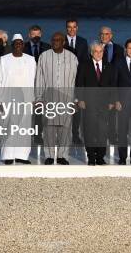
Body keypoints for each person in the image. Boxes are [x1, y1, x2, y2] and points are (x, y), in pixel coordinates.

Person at [35, 32, 78, 165]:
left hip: (67, 98)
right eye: (53, 40)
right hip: (49, 98)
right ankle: (49, 155)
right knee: (48, 128)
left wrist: (75, 100)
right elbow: (39, 78)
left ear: (64, 42)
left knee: (65, 128)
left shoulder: (72, 57)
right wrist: (38, 98)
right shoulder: (44, 56)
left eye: (58, 40)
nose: (55, 42)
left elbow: (76, 80)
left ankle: (62, 156)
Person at [0, 34, 36, 165]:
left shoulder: (31, 60)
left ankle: (22, 156)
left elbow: (34, 80)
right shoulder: (4, 60)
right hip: (8, 99)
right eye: (16, 43)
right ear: (12, 45)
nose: (18, 45)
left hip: (26, 99)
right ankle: (7, 155)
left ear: (23, 45)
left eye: (20, 43)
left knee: (24, 128)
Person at [75, 42, 116, 165]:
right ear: (91, 53)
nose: (98, 54)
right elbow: (79, 83)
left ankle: (100, 157)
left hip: (104, 105)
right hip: (88, 104)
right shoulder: (84, 65)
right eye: (96, 51)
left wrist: (112, 102)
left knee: (102, 132)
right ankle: (91, 157)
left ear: (103, 53)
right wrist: (80, 99)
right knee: (89, 131)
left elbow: (113, 86)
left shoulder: (109, 66)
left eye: (101, 51)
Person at [64, 19, 89, 145]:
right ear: (66, 28)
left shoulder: (83, 42)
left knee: (76, 108)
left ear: (77, 28)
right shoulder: (60, 41)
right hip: (64, 80)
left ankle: (75, 135)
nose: (72, 29)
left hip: (78, 80)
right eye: (69, 27)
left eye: (74, 27)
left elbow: (85, 61)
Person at [99, 26, 124, 144]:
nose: (104, 36)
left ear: (111, 35)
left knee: (113, 114)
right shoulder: (95, 48)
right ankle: (100, 137)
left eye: (107, 34)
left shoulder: (119, 49)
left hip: (114, 86)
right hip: (100, 86)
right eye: (102, 34)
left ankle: (113, 137)